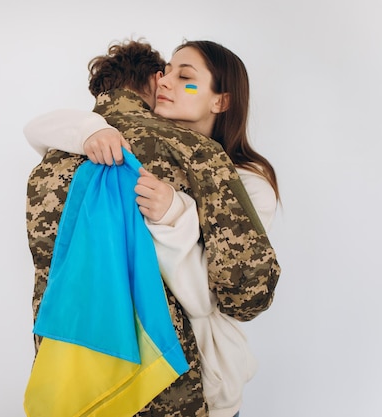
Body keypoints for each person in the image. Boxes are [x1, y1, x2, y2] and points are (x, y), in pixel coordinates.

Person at [24, 39, 280, 417]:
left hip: (207, 380)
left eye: (185, 76)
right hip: (121, 369)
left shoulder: (247, 183)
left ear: (220, 101)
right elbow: (40, 126)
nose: (164, 81)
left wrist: (174, 215)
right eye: (166, 71)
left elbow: (206, 300)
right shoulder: (134, 151)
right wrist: (91, 128)